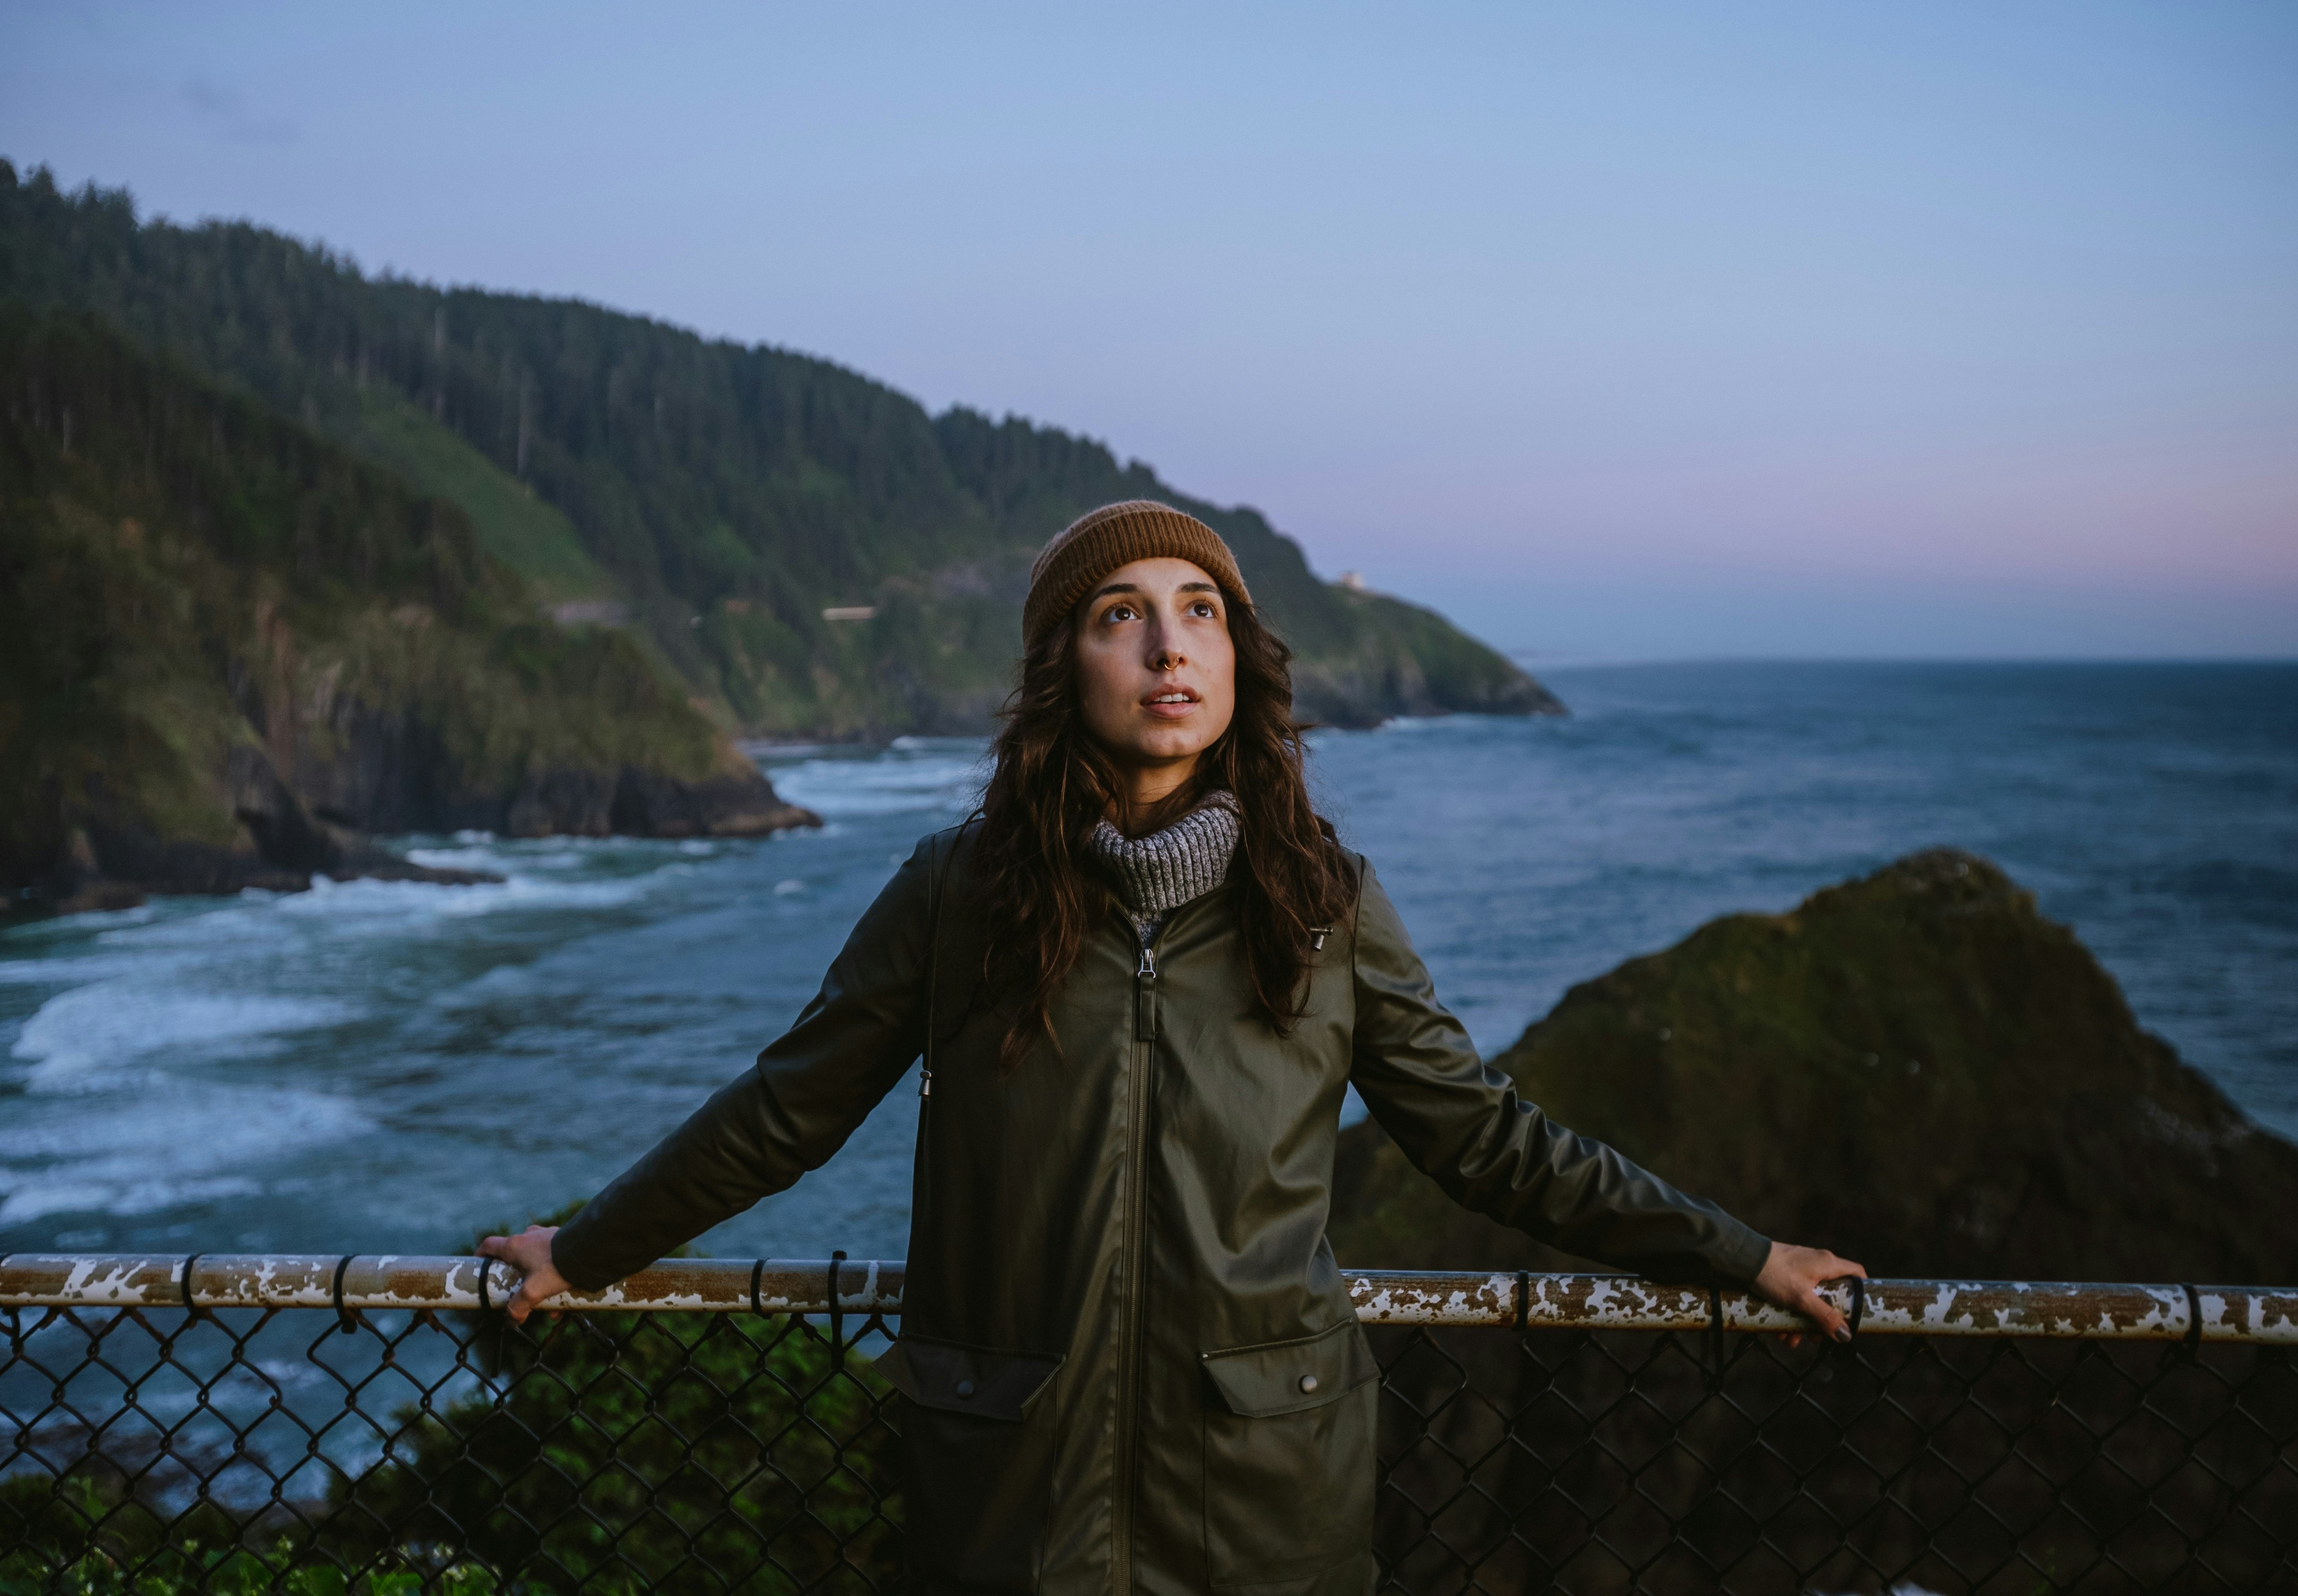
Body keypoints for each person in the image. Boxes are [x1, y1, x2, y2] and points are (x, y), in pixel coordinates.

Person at [479, 500, 1866, 1595]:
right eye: (1120, 616)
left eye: (1199, 613)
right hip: (1008, 1499)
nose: (1167, 649)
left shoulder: (1321, 900)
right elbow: (789, 1109)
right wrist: (587, 1250)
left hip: (1268, 1504)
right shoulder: (956, 895)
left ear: (1235, 659)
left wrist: (1740, 1257)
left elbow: (1485, 1137)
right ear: (1059, 663)